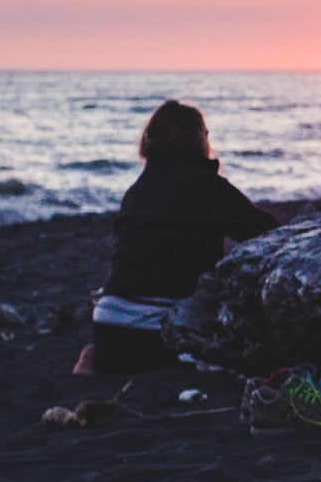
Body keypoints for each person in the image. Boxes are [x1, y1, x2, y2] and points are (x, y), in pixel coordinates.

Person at [74, 100, 280, 375]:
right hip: (161, 327)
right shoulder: (208, 186)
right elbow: (268, 235)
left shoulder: (137, 189)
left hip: (109, 321)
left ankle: (99, 358)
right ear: (199, 139)